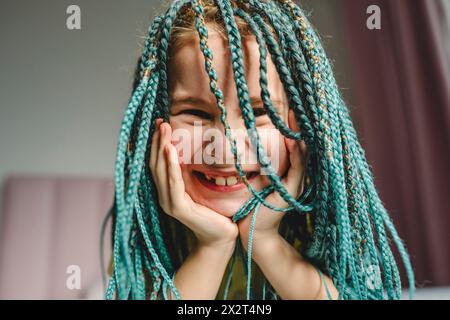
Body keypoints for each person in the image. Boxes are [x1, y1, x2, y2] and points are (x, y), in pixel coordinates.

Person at [105, 0, 415, 300]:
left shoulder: (322, 218)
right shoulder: (147, 229)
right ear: (152, 124)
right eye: (196, 114)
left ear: (300, 122)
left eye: (257, 114)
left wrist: (264, 240)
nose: (226, 150)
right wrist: (212, 246)